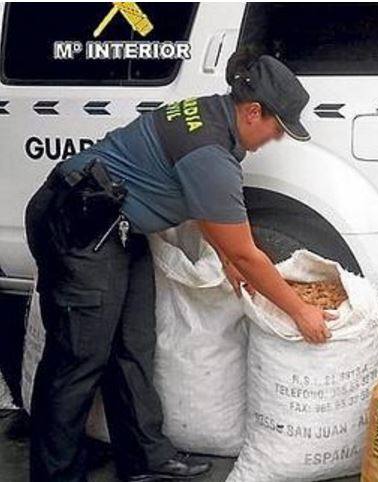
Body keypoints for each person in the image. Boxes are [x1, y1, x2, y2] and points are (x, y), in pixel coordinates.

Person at [25, 50, 335, 482]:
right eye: (277, 128)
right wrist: (299, 310)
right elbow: (248, 252)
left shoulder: (213, 116)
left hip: (119, 228)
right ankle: (55, 474)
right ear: (253, 111)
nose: (276, 138)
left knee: (134, 344)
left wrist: (226, 257)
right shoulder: (210, 150)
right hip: (76, 222)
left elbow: (204, 207)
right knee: (78, 357)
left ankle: (144, 458)